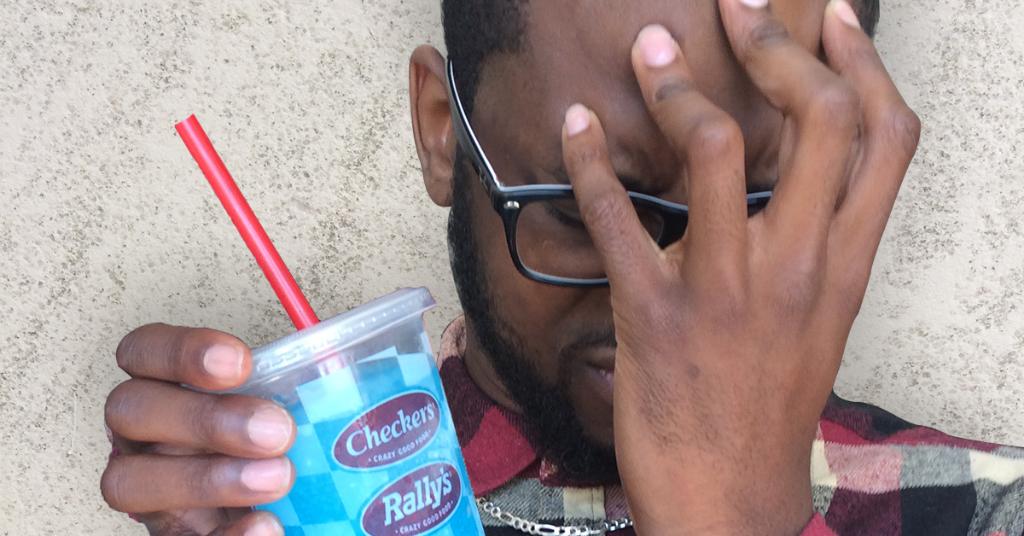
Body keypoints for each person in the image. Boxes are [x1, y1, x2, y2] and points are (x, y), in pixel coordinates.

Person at [100, 0, 1024, 534]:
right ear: (442, 131)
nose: (672, 300)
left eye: (757, 207)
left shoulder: (985, 511)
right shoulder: (321, 496)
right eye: (585, 211)